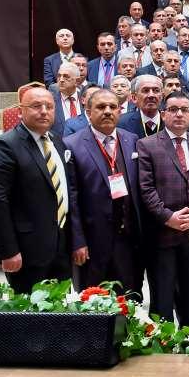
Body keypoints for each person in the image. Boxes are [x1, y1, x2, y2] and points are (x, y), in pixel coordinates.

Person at [137, 92, 189, 332]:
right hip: (163, 234)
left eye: (184, 109)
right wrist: (168, 217)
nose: (179, 114)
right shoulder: (147, 145)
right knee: (162, 296)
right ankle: (163, 343)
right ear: (163, 115)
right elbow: (146, 188)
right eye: (173, 109)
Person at [0, 86, 77, 293]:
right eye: (36, 106)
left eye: (49, 106)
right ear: (20, 111)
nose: (44, 111)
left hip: (60, 247)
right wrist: (8, 251)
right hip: (26, 252)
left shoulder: (56, 141)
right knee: (30, 319)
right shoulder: (6, 145)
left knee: (60, 314)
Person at [66, 89, 145, 294]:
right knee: (94, 305)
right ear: (88, 111)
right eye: (101, 107)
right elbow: (72, 199)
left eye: (113, 107)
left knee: (129, 301)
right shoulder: (72, 145)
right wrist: (77, 241)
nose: (108, 111)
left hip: (128, 241)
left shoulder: (132, 139)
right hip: (92, 243)